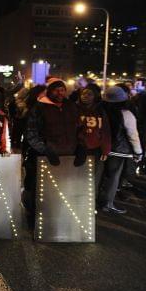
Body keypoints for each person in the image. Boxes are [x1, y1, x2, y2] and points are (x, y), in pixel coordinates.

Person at [25, 78, 85, 220]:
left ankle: (61, 219)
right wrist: (45, 149)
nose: (60, 93)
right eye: (56, 90)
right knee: (41, 191)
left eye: (62, 90)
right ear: (50, 91)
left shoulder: (71, 106)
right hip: (46, 157)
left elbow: (80, 128)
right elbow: (31, 133)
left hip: (68, 157)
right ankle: (37, 218)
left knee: (64, 191)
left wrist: (81, 145)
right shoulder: (39, 107)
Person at [101, 86, 143, 214]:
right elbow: (133, 135)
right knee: (113, 178)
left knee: (99, 177)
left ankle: (95, 201)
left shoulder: (99, 111)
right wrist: (138, 152)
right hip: (118, 151)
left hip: (100, 149)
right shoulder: (126, 114)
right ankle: (108, 204)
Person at [77, 83, 111, 194]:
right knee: (77, 175)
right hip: (77, 148)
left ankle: (91, 202)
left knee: (93, 177)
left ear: (95, 96)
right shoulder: (74, 109)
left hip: (95, 149)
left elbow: (105, 131)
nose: (85, 95)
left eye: (89, 94)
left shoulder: (100, 112)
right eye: (83, 93)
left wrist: (105, 149)